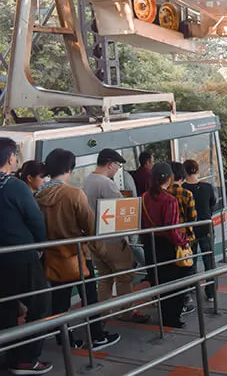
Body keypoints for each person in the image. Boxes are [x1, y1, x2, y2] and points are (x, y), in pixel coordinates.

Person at [35, 148, 121, 351]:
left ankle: (64, 338)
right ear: (69, 169)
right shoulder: (73, 194)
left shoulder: (38, 195)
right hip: (78, 256)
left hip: (52, 258)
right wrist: (103, 252)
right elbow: (90, 226)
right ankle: (97, 337)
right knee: (90, 297)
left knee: (60, 301)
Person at [0, 138, 53, 375]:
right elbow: (35, 219)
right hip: (21, 256)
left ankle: (9, 355)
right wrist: (40, 246)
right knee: (40, 304)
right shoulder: (14, 186)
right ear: (11, 159)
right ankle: (26, 358)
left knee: (6, 308)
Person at [83, 149, 149, 324]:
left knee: (104, 278)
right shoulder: (107, 183)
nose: (117, 169)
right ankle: (127, 312)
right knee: (124, 277)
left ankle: (103, 313)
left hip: (95, 240)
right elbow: (121, 210)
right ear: (110, 164)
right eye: (118, 166)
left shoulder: (88, 180)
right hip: (112, 240)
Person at [141, 163, 189, 328]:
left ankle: (163, 314)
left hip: (149, 244)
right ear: (170, 178)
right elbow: (172, 230)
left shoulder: (144, 197)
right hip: (167, 246)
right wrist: (184, 242)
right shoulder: (170, 200)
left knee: (159, 282)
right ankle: (172, 318)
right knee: (174, 284)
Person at [182, 159, 217, 301]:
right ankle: (211, 293)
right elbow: (212, 204)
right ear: (197, 171)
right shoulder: (207, 187)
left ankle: (190, 290)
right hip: (206, 228)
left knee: (190, 262)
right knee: (209, 261)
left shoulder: (182, 189)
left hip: (189, 230)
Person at [167, 162, 197, 313]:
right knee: (185, 268)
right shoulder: (186, 194)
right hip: (184, 237)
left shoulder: (163, 193)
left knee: (172, 269)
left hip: (168, 238)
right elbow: (193, 217)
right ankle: (185, 298)